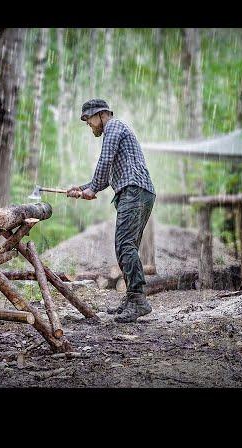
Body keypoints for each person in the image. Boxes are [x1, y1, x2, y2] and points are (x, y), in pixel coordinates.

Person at [68, 99, 156, 323]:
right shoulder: (116, 130)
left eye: (89, 121)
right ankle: (132, 298)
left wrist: (92, 188)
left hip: (134, 192)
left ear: (100, 115)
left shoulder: (114, 127)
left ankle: (138, 300)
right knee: (126, 247)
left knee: (125, 245)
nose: (90, 126)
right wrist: (83, 188)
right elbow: (106, 175)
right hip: (137, 192)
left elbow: (104, 161)